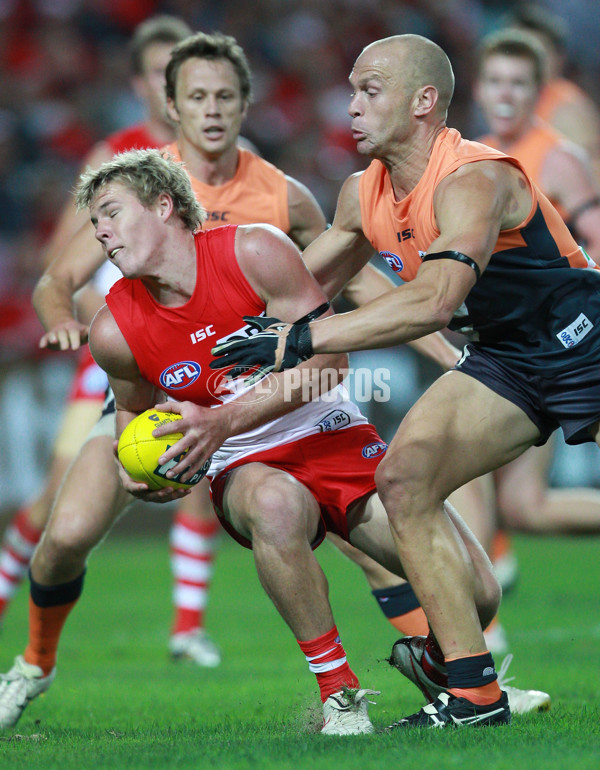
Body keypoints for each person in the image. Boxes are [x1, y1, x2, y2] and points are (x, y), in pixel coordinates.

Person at [209, 33, 600, 728]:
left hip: (583, 338)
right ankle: (475, 696)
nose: (351, 105)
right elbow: (302, 289)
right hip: (507, 358)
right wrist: (195, 333)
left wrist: (298, 339)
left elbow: (434, 303)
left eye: (370, 90)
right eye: (353, 90)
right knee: (403, 478)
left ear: (424, 102)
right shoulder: (364, 192)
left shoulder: (475, 178)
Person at [80, 147, 501, 734]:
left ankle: (430, 661)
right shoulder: (113, 329)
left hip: (330, 433)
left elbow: (329, 360)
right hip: (244, 465)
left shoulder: (251, 250)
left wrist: (221, 420)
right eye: (94, 222)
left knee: (479, 596)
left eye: (110, 213)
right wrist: (146, 472)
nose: (100, 231)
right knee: (276, 506)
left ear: (163, 205)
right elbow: (131, 412)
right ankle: (340, 695)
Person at [0, 15, 224, 666]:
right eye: (157, 72)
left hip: (188, 341)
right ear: (139, 83)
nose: (169, 85)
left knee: (202, 474)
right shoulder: (115, 154)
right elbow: (59, 258)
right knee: (52, 505)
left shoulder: (215, 161)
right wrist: (97, 311)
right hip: (118, 345)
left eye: (178, 73)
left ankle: (188, 626)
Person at [474, 27, 600, 535]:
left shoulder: (558, 157)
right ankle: (483, 588)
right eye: (495, 81)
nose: (505, 94)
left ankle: (475, 602)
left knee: (432, 460)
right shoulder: (471, 157)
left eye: (519, 83)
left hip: (570, 341)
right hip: (513, 346)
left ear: (537, 91)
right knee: (524, 506)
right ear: (479, 89)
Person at [504, 3, 600, 180]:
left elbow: (594, 178)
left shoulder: (569, 110)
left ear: (559, 58)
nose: (527, 63)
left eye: (537, 53)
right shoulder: (509, 100)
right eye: (520, 52)